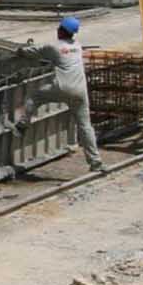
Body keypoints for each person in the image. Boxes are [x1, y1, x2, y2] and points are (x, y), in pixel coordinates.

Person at [48, 16, 106, 172]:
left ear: (61, 31)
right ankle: (96, 162)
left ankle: (23, 124)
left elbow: (45, 56)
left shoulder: (55, 47)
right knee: (86, 127)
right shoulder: (78, 46)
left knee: (37, 97)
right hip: (81, 92)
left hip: (64, 89)